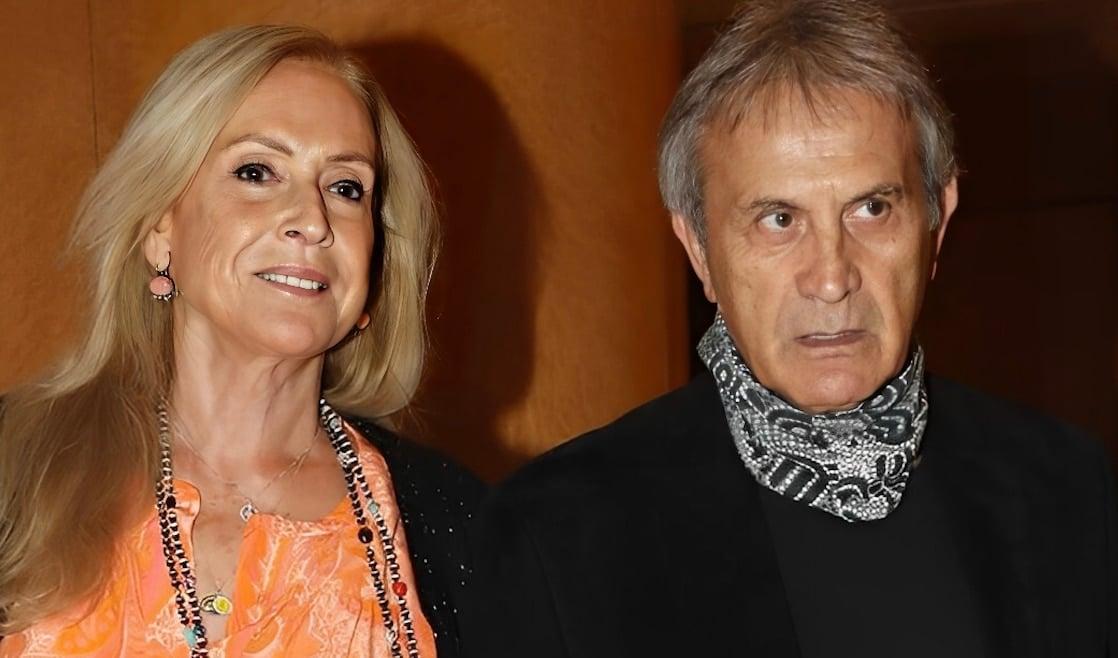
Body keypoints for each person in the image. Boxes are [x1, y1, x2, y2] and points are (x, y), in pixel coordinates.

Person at [463, 1, 1118, 656]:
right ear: (699, 249)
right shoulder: (560, 535)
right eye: (779, 220)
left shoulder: (1071, 493)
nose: (831, 278)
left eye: (871, 208)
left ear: (936, 223)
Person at [0, 25, 481, 657]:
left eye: (346, 188)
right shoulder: (15, 469)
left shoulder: (459, 524)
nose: (313, 220)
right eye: (258, 172)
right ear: (160, 227)